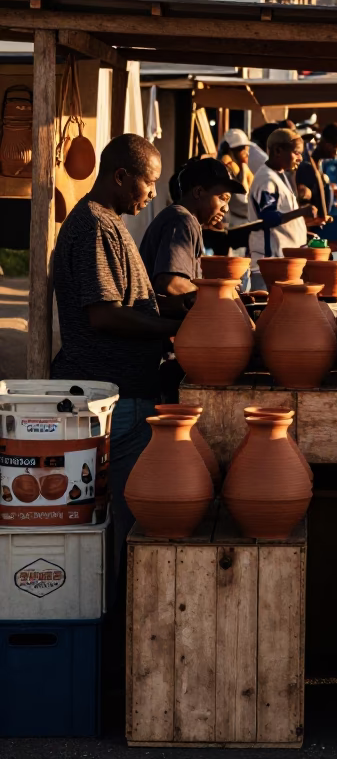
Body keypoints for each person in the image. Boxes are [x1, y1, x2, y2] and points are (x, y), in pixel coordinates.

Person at [51, 133, 179, 574]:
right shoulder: (93, 226)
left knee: (124, 532)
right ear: (122, 176)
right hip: (113, 399)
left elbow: (131, 302)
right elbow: (104, 315)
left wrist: (182, 309)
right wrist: (177, 328)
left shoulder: (110, 222)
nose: (153, 194)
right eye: (149, 183)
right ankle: (116, 629)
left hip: (123, 396)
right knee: (127, 535)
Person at [139, 157, 247, 300]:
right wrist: (220, 295)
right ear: (198, 192)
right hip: (157, 320)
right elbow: (171, 284)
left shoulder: (180, 218)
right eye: (222, 198)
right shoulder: (182, 221)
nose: (226, 208)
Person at [248, 127, 319, 287]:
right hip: (271, 266)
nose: (300, 158)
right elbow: (268, 218)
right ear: (278, 151)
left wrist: (301, 232)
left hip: (283, 264)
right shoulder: (266, 179)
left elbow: (283, 216)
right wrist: (302, 211)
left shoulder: (279, 175)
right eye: (297, 153)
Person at [219, 128, 257, 222]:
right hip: (232, 225)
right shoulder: (226, 170)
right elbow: (240, 202)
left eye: (247, 148)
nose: (246, 152)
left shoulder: (239, 169)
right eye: (242, 149)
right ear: (232, 150)